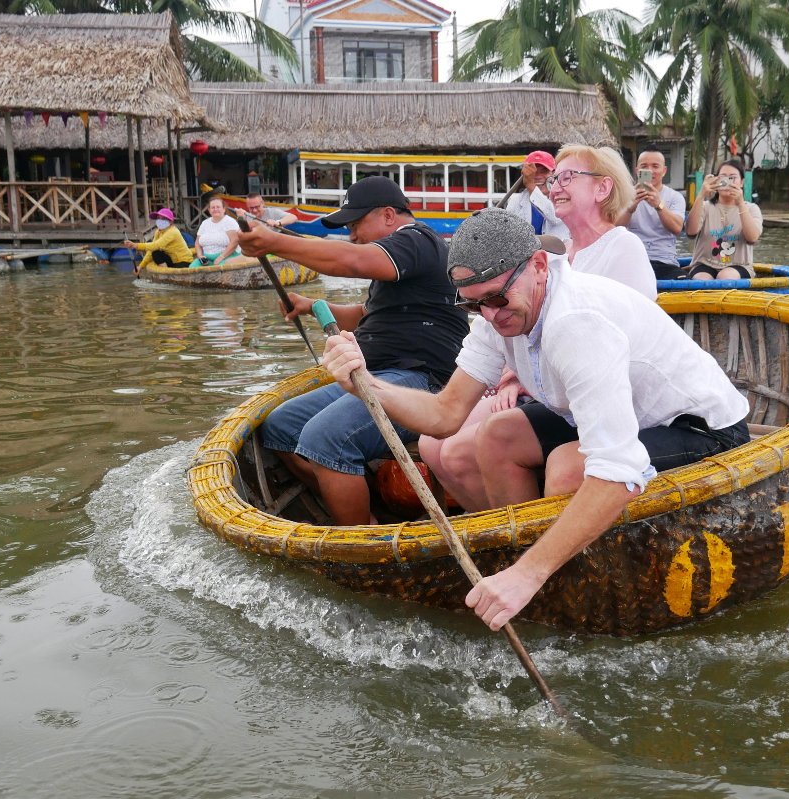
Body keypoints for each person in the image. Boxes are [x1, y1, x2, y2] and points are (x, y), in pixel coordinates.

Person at [321, 208, 751, 630]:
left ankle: (555, 584)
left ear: (539, 266)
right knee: (497, 435)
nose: (490, 315)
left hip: (700, 425)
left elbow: (619, 472)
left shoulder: (576, 325)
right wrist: (368, 386)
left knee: (567, 468)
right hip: (619, 414)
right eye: (473, 306)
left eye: (495, 298)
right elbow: (445, 414)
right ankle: (536, 574)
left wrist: (527, 575)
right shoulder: (497, 313)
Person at [417, 144, 655, 511]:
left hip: (596, 393)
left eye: (566, 177)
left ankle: (523, 540)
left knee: (464, 448)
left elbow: (622, 345)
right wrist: (512, 373)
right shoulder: (558, 252)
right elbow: (528, 327)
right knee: (432, 444)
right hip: (545, 387)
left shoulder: (622, 247)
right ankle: (498, 533)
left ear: (602, 189)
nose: (554, 185)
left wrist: (518, 378)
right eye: (553, 178)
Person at [234, 176, 469, 526]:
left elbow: (353, 261)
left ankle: (360, 541)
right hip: (374, 375)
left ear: (390, 215)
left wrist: (274, 241)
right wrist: (313, 305)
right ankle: (364, 514)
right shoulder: (398, 268)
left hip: (420, 381)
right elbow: (365, 316)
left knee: (323, 437)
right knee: (279, 427)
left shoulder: (416, 241)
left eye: (356, 224)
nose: (352, 235)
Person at [684, 158, 763, 281]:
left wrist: (740, 203)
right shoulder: (705, 207)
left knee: (726, 276)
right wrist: (701, 195)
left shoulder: (751, 209)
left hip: (739, 266)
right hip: (704, 264)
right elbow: (690, 231)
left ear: (741, 182)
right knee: (702, 279)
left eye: (732, 178)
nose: (727, 182)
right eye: (723, 177)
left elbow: (752, 238)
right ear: (716, 180)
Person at [616, 147, 688, 280]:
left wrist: (659, 205)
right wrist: (630, 208)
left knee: (684, 284)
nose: (650, 171)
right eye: (644, 166)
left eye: (655, 166)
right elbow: (614, 229)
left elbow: (677, 228)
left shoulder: (675, 197)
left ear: (664, 171)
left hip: (664, 261)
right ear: (637, 170)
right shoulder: (625, 195)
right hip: (634, 261)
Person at [502, 150, 569, 240]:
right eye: (533, 172)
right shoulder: (515, 201)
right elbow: (508, 233)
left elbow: (556, 217)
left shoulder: (563, 196)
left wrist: (531, 186)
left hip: (557, 253)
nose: (538, 176)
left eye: (544, 171)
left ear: (553, 173)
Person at [124, 208, 194, 276]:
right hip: (172, 260)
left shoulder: (173, 232)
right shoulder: (158, 232)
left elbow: (156, 245)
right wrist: (140, 266)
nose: (160, 221)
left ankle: (166, 275)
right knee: (156, 253)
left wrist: (136, 245)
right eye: (158, 218)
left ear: (170, 221)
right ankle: (165, 273)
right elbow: (151, 249)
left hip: (183, 261)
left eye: (163, 219)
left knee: (156, 250)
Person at [190, 196, 242, 267]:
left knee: (219, 270)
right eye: (213, 207)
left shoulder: (229, 221)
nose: (215, 209)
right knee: (192, 267)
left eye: (218, 207)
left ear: (224, 209)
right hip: (206, 259)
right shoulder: (205, 223)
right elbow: (197, 243)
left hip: (227, 256)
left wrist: (221, 257)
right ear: (209, 210)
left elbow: (235, 241)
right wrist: (200, 256)